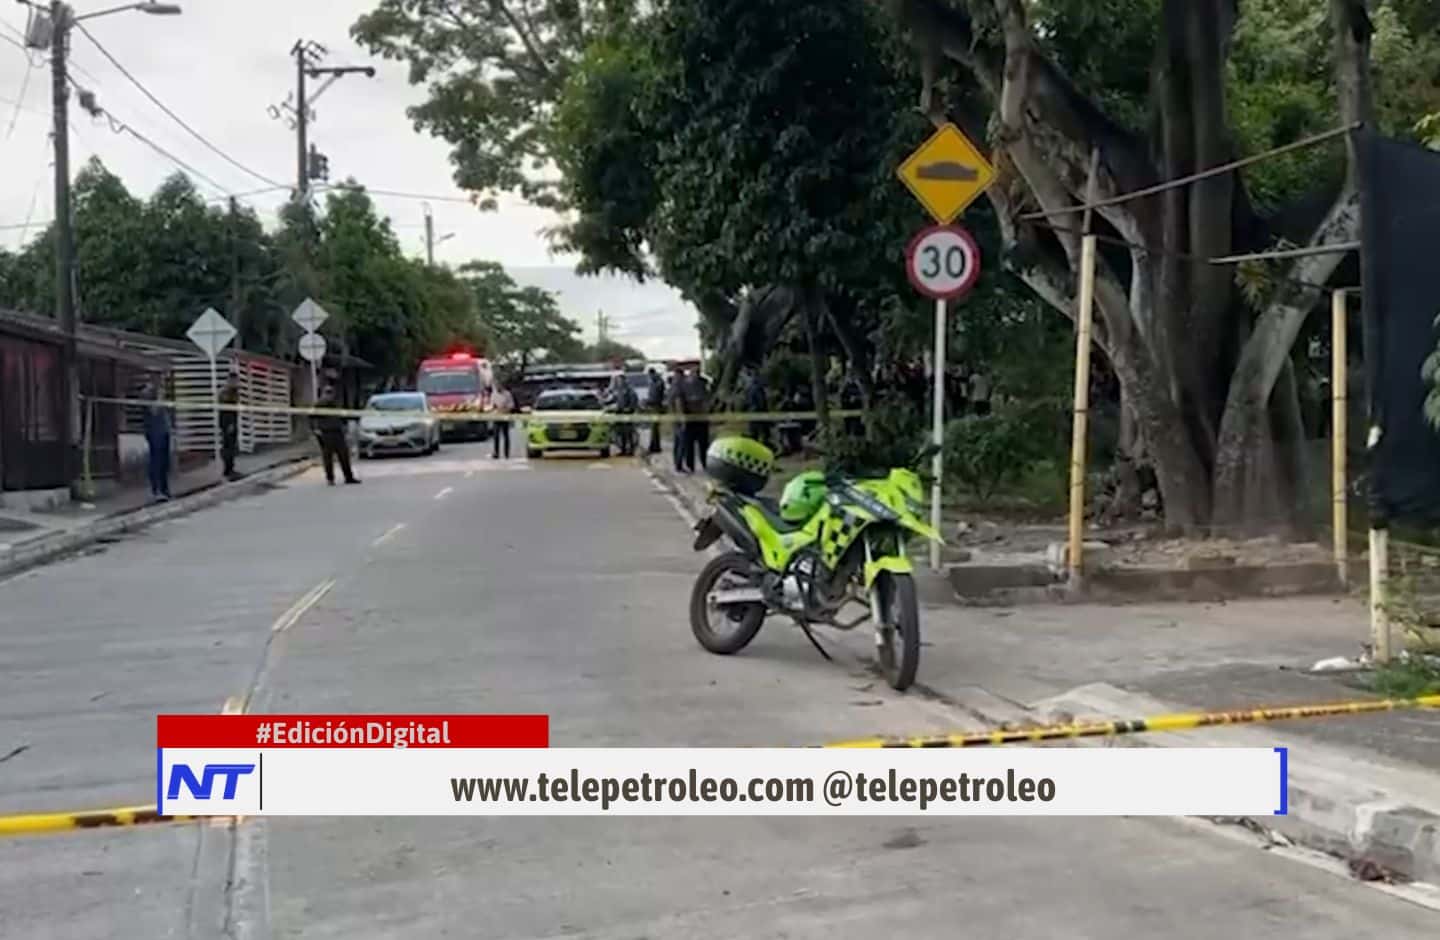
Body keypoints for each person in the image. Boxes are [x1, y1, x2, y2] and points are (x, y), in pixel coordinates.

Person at [314, 383, 360, 486]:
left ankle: (348, 477)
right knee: (328, 457)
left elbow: (342, 417)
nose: (330, 395)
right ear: (323, 393)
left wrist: (345, 428)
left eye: (331, 393)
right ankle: (330, 479)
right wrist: (316, 430)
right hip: (327, 433)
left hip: (338, 433)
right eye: (327, 393)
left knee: (344, 456)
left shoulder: (335, 404)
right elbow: (312, 418)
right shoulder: (319, 404)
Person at [142, 383, 172, 502]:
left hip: (164, 432)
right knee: (156, 462)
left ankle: (165, 490)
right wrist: (159, 397)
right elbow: (153, 411)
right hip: (155, 433)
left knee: (164, 462)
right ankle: (157, 490)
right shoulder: (147, 395)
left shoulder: (160, 396)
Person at [679, 368, 711, 472]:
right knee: (694, 444)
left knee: (699, 444)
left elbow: (707, 402)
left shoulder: (700, 384)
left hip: (698, 418)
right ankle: (695, 464)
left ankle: (699, 464)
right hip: (693, 418)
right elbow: (681, 402)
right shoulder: (687, 385)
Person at [219, 372, 241, 480]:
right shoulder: (226, 392)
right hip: (227, 422)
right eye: (235, 381)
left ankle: (230, 469)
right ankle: (228, 470)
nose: (237, 383)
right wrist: (230, 424)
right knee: (228, 447)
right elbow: (226, 411)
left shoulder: (233, 391)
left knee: (232, 446)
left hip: (232, 421)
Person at [744, 367, 769, 446]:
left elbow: (746, 401)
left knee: (754, 432)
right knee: (763, 432)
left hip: (751, 411)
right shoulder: (757, 388)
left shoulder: (749, 388)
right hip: (758, 411)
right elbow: (761, 401)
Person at [491, 385, 514, 459]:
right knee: (496, 436)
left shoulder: (507, 394)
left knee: (506, 435)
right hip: (496, 416)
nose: (497, 388)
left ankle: (506, 453)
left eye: (499, 387)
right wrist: (494, 407)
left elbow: (511, 405)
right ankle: (496, 453)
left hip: (505, 416)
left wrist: (506, 408)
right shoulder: (494, 394)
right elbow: (491, 404)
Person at [646, 368, 665, 454]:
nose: (649, 377)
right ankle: (654, 446)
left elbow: (655, 396)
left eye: (650, 375)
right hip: (654, 406)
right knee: (654, 428)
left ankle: (655, 447)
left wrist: (648, 401)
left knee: (654, 428)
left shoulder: (657, 382)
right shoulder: (655, 382)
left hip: (656, 407)